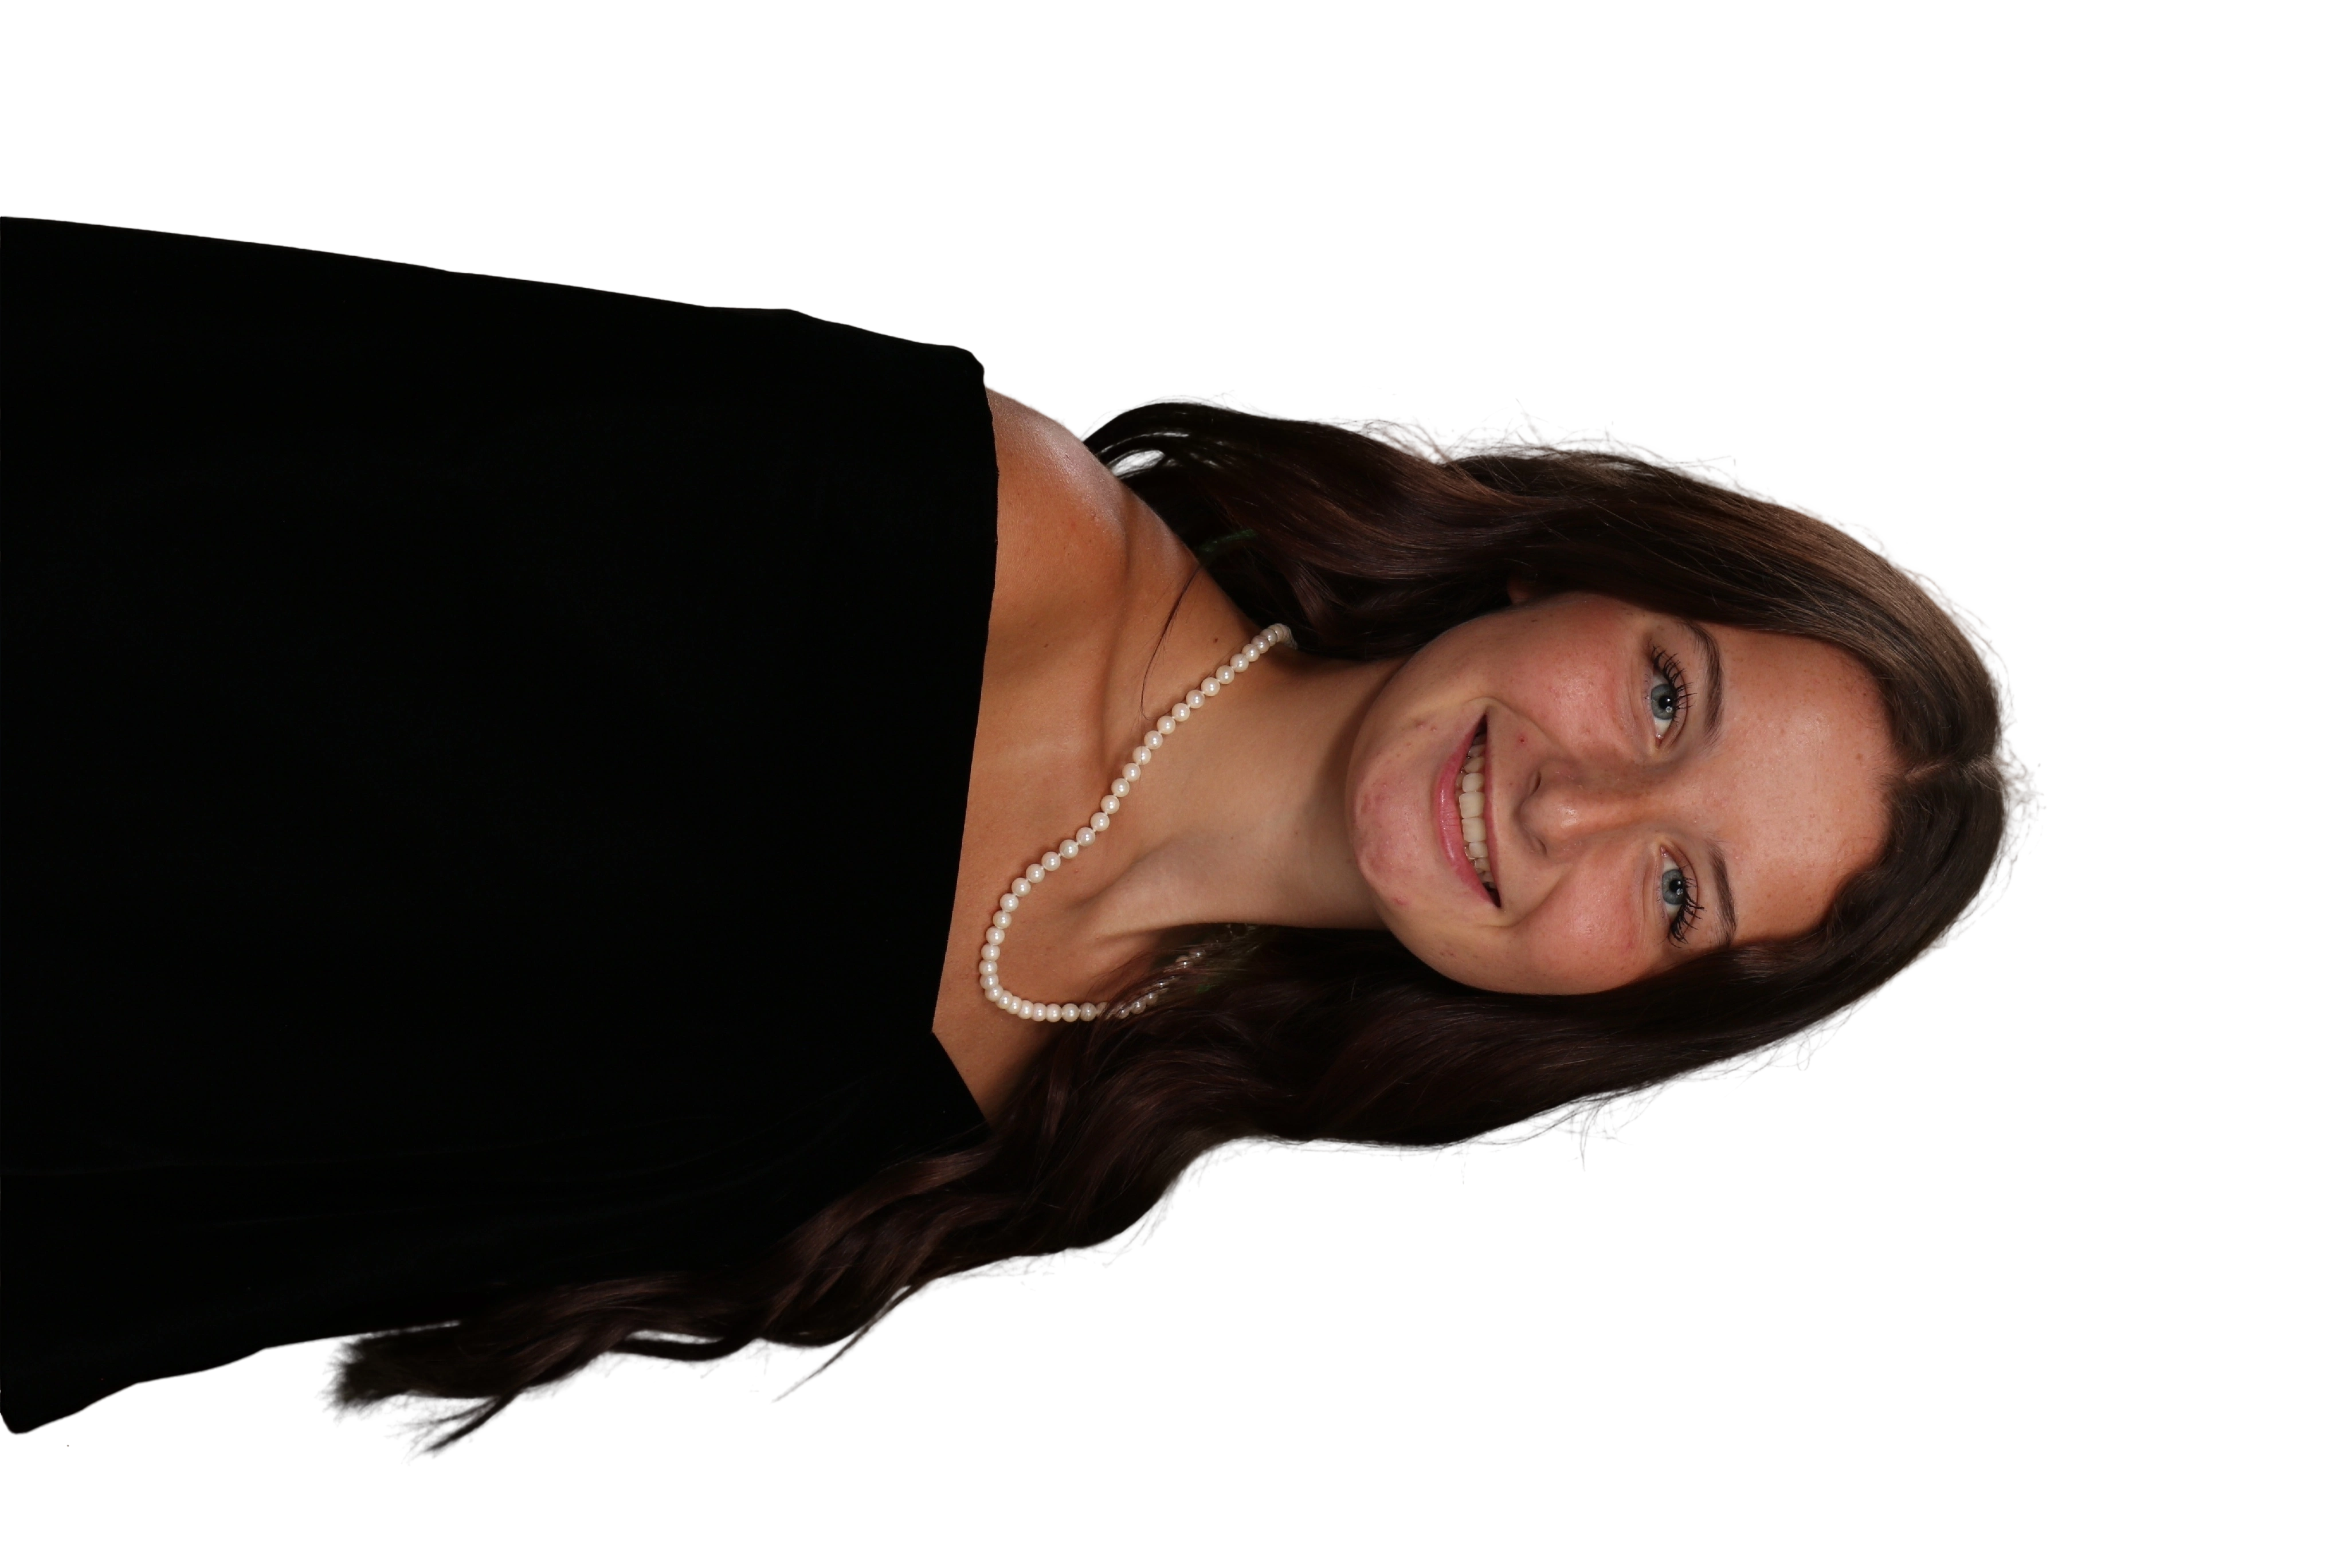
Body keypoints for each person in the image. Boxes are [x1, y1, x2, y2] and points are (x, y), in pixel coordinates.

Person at [0, 215, 2041, 1461]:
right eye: (1666, 697)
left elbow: (222, 1239)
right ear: (1570, 573)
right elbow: (128, 413)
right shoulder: (926, 511)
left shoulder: (1044, 1127)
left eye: (1677, 889)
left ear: (1612, 1008)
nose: (1570, 805)